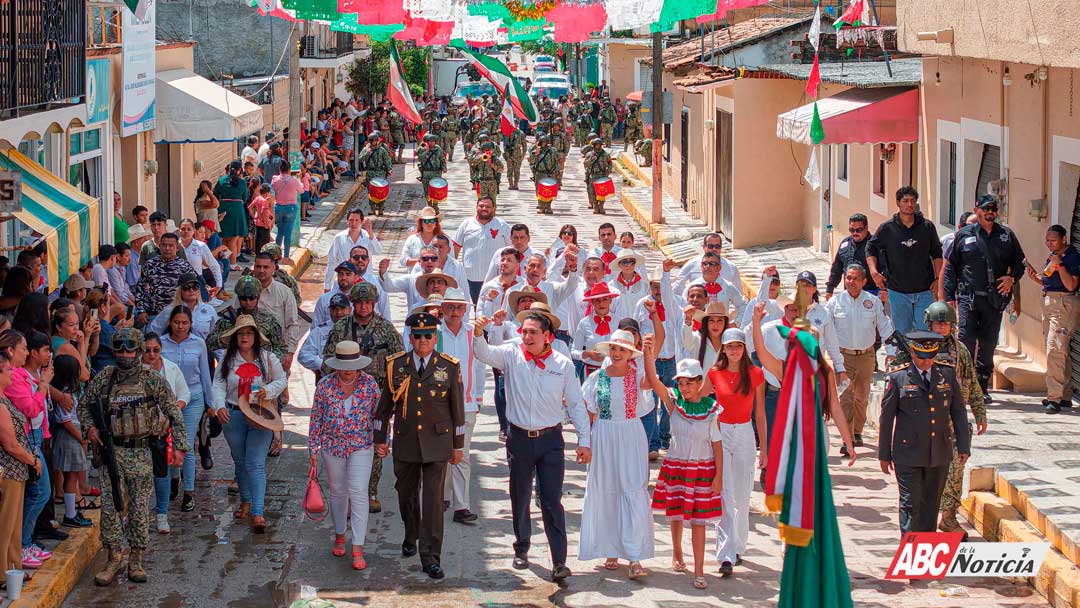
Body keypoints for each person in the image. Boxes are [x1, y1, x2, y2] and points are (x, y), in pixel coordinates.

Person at [472, 312, 591, 583]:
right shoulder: (511, 355)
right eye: (524, 331)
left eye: (533, 332)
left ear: (548, 337)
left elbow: (575, 404)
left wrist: (585, 441)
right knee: (520, 495)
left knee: (551, 500)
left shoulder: (562, 364)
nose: (527, 337)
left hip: (550, 441)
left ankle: (559, 560)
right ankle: (522, 547)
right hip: (519, 438)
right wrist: (479, 332)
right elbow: (484, 353)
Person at [80, 328, 186, 585]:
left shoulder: (151, 378)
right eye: (120, 349)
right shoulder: (105, 378)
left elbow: (173, 411)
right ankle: (114, 558)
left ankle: (136, 559)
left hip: (140, 453)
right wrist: (90, 428)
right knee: (110, 508)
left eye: (130, 349)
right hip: (111, 453)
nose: (125, 354)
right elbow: (84, 406)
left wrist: (181, 448)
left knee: (139, 509)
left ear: (138, 350)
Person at [375, 312, 464, 580]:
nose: (423, 340)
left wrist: (458, 445)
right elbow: (383, 408)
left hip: (437, 443)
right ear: (410, 338)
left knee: (434, 501)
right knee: (406, 495)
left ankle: (431, 556)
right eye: (418, 336)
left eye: (428, 335)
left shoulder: (448, 366)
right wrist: (380, 439)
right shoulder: (396, 365)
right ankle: (410, 533)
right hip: (406, 441)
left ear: (435, 338)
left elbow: (457, 410)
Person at [892, 302, 985, 534]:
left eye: (946, 324)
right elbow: (898, 373)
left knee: (955, 472)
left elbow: (971, 382)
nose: (942, 329)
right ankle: (919, 523)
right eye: (938, 324)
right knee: (924, 480)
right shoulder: (913, 348)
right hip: (926, 424)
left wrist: (979, 410)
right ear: (929, 324)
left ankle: (949, 516)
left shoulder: (960, 350)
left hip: (954, 422)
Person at [322, 282, 403, 514]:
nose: (364, 307)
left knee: (376, 439)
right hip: (344, 393)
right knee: (344, 440)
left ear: (374, 304)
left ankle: (371, 491)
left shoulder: (386, 329)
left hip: (376, 396)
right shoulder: (341, 328)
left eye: (368, 302)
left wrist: (395, 396)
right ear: (353, 303)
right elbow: (328, 357)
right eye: (359, 302)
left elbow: (398, 362)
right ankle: (347, 492)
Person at [879, 331, 971, 535]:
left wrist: (963, 446)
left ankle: (925, 549)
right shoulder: (898, 377)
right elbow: (886, 419)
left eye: (931, 357)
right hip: (908, 453)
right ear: (912, 353)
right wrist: (884, 454)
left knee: (931, 505)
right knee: (911, 503)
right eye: (922, 357)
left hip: (938, 452)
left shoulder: (946, 375)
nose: (926, 362)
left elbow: (958, 412)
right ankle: (908, 548)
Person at [643, 354, 723, 590]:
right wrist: (649, 352)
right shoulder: (673, 402)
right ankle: (677, 551)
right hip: (676, 465)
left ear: (700, 382)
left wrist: (719, 476)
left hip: (702, 468)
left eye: (689, 382)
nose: (685, 387)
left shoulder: (712, 410)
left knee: (699, 520)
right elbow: (654, 380)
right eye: (681, 382)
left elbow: (717, 445)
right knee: (676, 511)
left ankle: (699, 570)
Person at [579, 330, 654, 579]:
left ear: (631, 353)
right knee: (607, 489)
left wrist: (651, 354)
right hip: (603, 435)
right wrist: (585, 443)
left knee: (631, 488)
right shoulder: (596, 378)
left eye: (623, 349)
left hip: (630, 434)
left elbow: (651, 383)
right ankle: (610, 548)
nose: (618, 353)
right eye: (614, 349)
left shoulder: (638, 375)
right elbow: (589, 412)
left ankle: (634, 555)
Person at [944, 194, 1026, 401]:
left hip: (994, 299)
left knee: (988, 344)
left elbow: (1019, 263)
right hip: (968, 297)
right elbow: (951, 267)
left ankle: (981, 388)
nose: (990, 213)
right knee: (966, 341)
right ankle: (963, 385)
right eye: (985, 209)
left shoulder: (1006, 235)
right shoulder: (964, 235)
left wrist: (1011, 278)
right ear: (977, 210)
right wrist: (948, 297)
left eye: (993, 209)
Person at [209, 316, 287, 534]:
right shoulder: (227, 359)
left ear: (255, 337)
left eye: (249, 333)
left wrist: (268, 391)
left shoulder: (268, 358)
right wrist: (219, 406)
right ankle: (246, 500)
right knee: (240, 461)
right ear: (235, 337)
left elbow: (281, 380)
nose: (244, 337)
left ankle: (258, 511)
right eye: (241, 333)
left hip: (261, 414)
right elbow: (218, 384)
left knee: (255, 463)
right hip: (233, 415)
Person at [310, 341, 380, 571]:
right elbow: (316, 418)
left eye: (352, 366)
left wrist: (383, 441)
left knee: (358, 491)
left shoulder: (370, 385)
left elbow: (379, 417)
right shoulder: (324, 386)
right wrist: (313, 449)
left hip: (361, 443)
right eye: (343, 366)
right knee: (337, 490)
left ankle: (358, 546)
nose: (348, 371)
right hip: (332, 445)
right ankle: (340, 534)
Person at [705, 328, 766, 576]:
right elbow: (701, 400)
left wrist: (766, 448)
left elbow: (760, 413)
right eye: (729, 346)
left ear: (744, 348)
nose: (733, 351)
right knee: (725, 495)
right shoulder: (713, 373)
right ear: (723, 349)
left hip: (744, 432)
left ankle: (738, 546)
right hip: (720, 434)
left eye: (737, 346)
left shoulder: (755, 373)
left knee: (742, 496)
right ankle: (726, 554)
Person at [825, 264, 895, 453]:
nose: (851, 282)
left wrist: (891, 351)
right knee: (846, 397)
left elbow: (885, 327)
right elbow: (826, 331)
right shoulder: (834, 303)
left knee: (862, 397)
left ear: (864, 281)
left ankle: (857, 433)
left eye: (855, 278)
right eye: (848, 278)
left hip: (866, 356)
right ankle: (847, 438)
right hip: (843, 356)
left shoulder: (873, 302)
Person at [1, 330, 52, 567]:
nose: (25, 353)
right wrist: (42, 386)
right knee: (38, 493)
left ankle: (18, 552)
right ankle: (19, 548)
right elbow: (31, 410)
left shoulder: (18, 375)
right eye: (23, 348)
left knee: (28, 497)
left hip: (30, 437)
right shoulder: (9, 384)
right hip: (16, 452)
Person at [866, 186, 943, 333]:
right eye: (905, 201)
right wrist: (874, 271)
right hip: (897, 292)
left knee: (925, 333)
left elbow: (937, 253)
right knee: (902, 334)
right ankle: (903, 357)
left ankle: (920, 357)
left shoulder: (927, 227)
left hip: (924, 291)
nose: (909, 204)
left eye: (913, 201)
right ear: (897, 203)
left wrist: (938, 278)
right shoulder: (887, 228)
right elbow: (870, 248)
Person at [437, 289, 485, 524]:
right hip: (439, 405)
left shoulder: (472, 334)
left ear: (465, 310)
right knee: (441, 453)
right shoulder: (435, 333)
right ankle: (443, 495)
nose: (455, 312)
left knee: (461, 455)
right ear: (443, 309)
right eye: (450, 307)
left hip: (466, 404)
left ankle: (461, 506)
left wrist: (477, 399)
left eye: (459, 307)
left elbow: (479, 368)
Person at [158, 306, 213, 512]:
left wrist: (211, 403)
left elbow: (206, 376)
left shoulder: (198, 344)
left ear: (190, 324)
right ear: (170, 323)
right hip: (168, 399)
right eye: (177, 322)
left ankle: (189, 491)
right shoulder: (161, 344)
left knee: (186, 444)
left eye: (185, 323)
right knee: (169, 441)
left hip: (194, 398)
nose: (180, 327)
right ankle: (174, 478)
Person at [1025, 225, 1080, 413]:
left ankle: (1054, 398)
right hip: (1048, 303)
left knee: (1054, 349)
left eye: (1053, 240)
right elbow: (1047, 280)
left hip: (1063, 305)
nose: (1049, 244)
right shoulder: (1053, 255)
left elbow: (1071, 285)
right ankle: (1064, 395)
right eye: (1047, 240)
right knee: (1059, 350)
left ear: (1064, 239)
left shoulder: (1071, 257)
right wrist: (1035, 278)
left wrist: (1060, 265)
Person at [143, 332, 189, 534]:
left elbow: (184, 393)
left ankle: (162, 514)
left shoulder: (171, 368)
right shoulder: (132, 372)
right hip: (139, 432)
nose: (151, 354)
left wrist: (174, 408)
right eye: (147, 350)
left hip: (162, 430)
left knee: (161, 473)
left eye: (156, 350)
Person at [0, 351, 39, 582]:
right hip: (10, 469)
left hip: (17, 470)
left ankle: (12, 567)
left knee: (13, 525)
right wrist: (32, 460)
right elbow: (10, 445)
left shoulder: (5, 400)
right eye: (7, 370)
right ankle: (2, 573)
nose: (12, 373)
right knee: (6, 525)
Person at [452, 198, 512, 303]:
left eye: (488, 207)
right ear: (476, 207)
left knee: (494, 306)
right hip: (471, 277)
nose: (484, 209)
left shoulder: (502, 225)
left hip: (496, 276)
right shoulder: (466, 224)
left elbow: (512, 249)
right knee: (476, 306)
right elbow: (455, 248)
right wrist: (453, 270)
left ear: (494, 208)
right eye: (481, 206)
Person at [136, 233, 196, 328]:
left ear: (177, 248)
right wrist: (141, 310)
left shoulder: (185, 266)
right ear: (159, 246)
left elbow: (193, 291)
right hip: (153, 314)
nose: (167, 248)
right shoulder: (149, 265)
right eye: (164, 245)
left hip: (177, 316)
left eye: (171, 246)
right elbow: (140, 289)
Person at [323, 208, 381, 292]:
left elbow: (378, 251)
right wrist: (327, 285)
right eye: (351, 220)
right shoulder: (339, 238)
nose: (354, 223)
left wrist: (371, 234)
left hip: (365, 283)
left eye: (357, 220)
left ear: (361, 222)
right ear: (347, 221)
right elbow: (332, 262)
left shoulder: (368, 236)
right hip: (345, 284)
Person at [148, 272, 219, 340]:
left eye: (195, 287)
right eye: (186, 287)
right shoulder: (171, 309)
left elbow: (216, 334)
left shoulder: (209, 309)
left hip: (202, 350)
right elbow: (154, 330)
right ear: (180, 291)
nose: (191, 290)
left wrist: (217, 352)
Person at [825, 214, 877, 298]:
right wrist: (830, 288)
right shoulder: (845, 243)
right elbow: (837, 268)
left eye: (859, 230)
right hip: (849, 293)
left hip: (871, 293)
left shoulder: (875, 244)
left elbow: (885, 268)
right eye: (852, 230)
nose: (855, 233)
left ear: (866, 228)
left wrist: (884, 290)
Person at [214, 161, 251, 266]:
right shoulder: (243, 182)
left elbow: (216, 195)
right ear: (240, 170)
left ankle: (223, 263)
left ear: (229, 168)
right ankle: (232, 264)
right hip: (237, 211)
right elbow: (245, 198)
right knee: (233, 240)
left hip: (223, 210)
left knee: (223, 239)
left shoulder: (221, 181)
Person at [177, 218, 222, 301]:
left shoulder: (201, 246)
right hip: (177, 285)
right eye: (183, 229)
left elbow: (214, 265)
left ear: (193, 230)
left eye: (189, 229)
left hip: (195, 284)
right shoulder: (174, 246)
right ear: (179, 230)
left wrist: (219, 285)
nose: (186, 231)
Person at [682, 302, 730, 371]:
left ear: (725, 323)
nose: (715, 325)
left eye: (719, 320)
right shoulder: (697, 338)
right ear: (706, 322)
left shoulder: (729, 342)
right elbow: (687, 342)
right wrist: (688, 319)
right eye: (711, 320)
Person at [271, 163, 304, 261]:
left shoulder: (274, 179)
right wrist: (299, 179)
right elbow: (301, 190)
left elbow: (274, 186)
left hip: (278, 207)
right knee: (288, 233)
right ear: (289, 169)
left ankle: (276, 255)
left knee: (280, 232)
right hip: (291, 208)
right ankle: (286, 256)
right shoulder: (294, 180)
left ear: (279, 169)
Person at [247, 184, 275, 255]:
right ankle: (264, 256)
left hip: (257, 223)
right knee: (264, 242)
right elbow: (263, 212)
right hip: (263, 224)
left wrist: (254, 217)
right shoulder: (264, 201)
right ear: (266, 193)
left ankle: (258, 255)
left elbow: (249, 207)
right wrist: (266, 224)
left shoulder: (257, 198)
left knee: (258, 240)